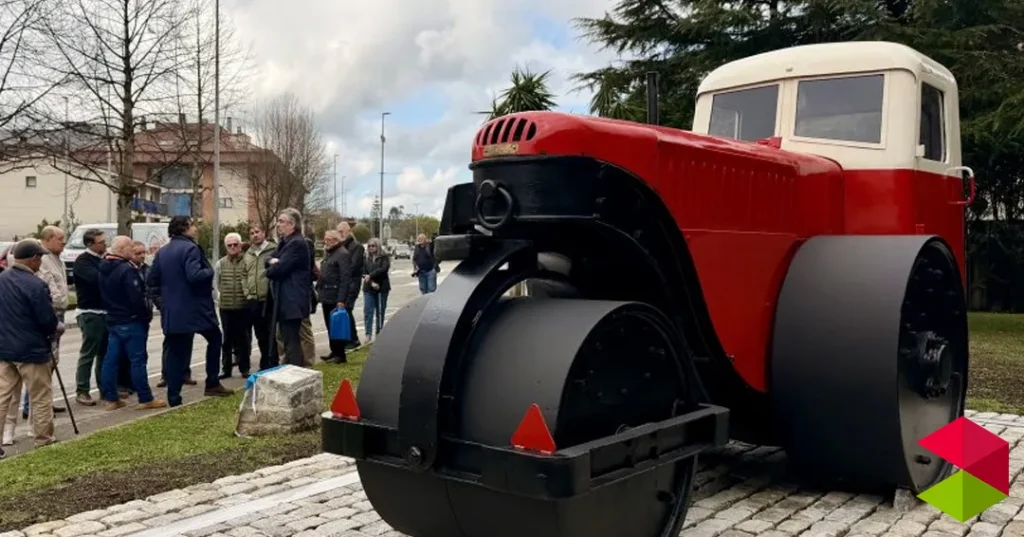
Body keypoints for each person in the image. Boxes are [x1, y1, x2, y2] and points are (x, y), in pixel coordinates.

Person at [146, 216, 232, 407]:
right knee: (215, 338)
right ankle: (212, 381)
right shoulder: (191, 248)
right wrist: (210, 272)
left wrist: (163, 304)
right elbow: (194, 275)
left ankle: (174, 396)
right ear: (184, 228)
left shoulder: (163, 252)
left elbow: (152, 281)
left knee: (177, 353)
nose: (196, 228)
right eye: (192, 225)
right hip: (196, 309)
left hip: (173, 312)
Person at [0, 239, 62, 450]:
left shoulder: (2, 279)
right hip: (32, 349)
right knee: (40, 396)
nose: (40, 263)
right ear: (34, 259)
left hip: (5, 348)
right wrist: (55, 328)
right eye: (40, 258)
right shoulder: (36, 284)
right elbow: (47, 320)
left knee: (3, 397)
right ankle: (43, 438)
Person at [99, 236, 167, 410]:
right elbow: (136, 297)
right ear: (122, 250)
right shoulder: (126, 270)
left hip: (113, 319)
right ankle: (145, 398)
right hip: (131, 320)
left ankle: (111, 398)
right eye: (130, 246)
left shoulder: (104, 267)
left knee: (111, 360)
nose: (133, 249)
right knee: (137, 360)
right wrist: (145, 314)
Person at [265, 208, 312, 367]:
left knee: (292, 341)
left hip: (292, 300)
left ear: (292, 225)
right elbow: (268, 259)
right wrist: (272, 262)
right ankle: (292, 368)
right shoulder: (286, 242)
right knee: (286, 339)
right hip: (285, 300)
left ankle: (295, 370)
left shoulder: (297, 243)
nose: (278, 225)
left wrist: (274, 264)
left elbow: (278, 269)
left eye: (282, 222)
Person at [71, 229, 109, 407]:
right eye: (101, 242)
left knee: (104, 353)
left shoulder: (104, 259)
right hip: (90, 312)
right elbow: (99, 279)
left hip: (105, 311)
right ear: (90, 244)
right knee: (89, 352)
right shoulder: (83, 262)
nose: (105, 244)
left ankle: (105, 389)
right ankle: (82, 390)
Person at [214, 233, 252, 378]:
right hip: (226, 308)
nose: (232, 247)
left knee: (243, 339)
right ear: (226, 247)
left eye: (235, 244)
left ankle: (244, 368)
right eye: (229, 245)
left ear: (240, 245)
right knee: (227, 340)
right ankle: (226, 369)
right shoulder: (220, 263)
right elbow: (216, 284)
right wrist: (220, 298)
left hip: (243, 307)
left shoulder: (247, 261)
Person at [317, 230, 353, 363]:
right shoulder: (330, 253)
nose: (325, 241)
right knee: (329, 325)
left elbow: (345, 278)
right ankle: (334, 351)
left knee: (337, 326)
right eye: (325, 239)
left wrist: (341, 299)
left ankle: (340, 354)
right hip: (326, 295)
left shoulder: (342, 254)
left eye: (328, 239)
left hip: (335, 296)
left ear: (336, 240)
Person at [243, 225, 276, 371]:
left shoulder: (274, 250)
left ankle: (272, 362)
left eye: (257, 232)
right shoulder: (248, 253)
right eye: (252, 233)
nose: (255, 235)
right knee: (260, 334)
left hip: (269, 299)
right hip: (253, 300)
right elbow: (244, 274)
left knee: (271, 334)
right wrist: (247, 292)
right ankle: (265, 362)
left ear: (264, 233)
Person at [337, 221, 364, 348]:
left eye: (341, 231)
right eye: (338, 232)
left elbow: (354, 265)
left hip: (352, 282)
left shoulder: (356, 246)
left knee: (347, 309)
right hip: (342, 283)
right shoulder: (340, 247)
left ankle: (353, 339)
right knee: (343, 310)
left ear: (348, 231)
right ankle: (346, 338)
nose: (339, 234)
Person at [362, 237, 391, 341]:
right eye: (369, 246)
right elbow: (363, 272)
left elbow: (384, 269)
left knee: (380, 310)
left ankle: (379, 332)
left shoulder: (384, 256)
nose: (371, 248)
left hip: (382, 287)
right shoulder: (365, 257)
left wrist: (371, 275)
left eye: (373, 246)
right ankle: (368, 334)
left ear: (377, 246)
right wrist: (371, 281)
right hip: (369, 287)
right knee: (368, 311)